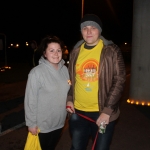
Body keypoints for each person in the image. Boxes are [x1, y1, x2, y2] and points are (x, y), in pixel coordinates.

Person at [66, 14, 126, 150]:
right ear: (81, 31)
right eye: (85, 28)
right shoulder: (75, 51)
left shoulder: (111, 50)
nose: (88, 31)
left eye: (93, 28)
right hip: (78, 112)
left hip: (102, 113)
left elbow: (119, 80)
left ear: (99, 30)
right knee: (76, 147)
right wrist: (69, 99)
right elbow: (71, 80)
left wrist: (107, 110)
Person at [24, 36, 70, 150]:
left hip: (59, 122)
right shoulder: (36, 73)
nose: (56, 53)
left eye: (58, 50)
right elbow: (30, 100)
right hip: (42, 125)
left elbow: (69, 92)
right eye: (51, 50)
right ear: (45, 53)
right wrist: (31, 123)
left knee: (51, 147)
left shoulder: (65, 70)